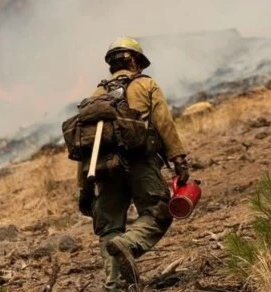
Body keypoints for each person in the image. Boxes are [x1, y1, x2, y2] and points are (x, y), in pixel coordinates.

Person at [77, 36, 189, 291]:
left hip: (103, 169)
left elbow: (84, 146)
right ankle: (129, 244)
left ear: (111, 65)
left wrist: (83, 189)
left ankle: (115, 284)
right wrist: (178, 159)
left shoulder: (95, 96)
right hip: (140, 162)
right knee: (158, 212)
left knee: (109, 227)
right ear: (136, 61)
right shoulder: (146, 85)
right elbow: (164, 125)